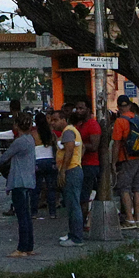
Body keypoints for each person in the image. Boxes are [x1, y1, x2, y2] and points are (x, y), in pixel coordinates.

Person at [0, 110, 40, 257]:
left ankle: (21, 248)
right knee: (26, 216)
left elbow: (4, 157)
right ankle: (29, 246)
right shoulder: (30, 140)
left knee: (21, 217)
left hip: (19, 182)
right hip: (29, 181)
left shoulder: (19, 141)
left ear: (16, 125)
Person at [51, 105, 85, 246]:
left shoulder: (69, 132)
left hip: (71, 171)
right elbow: (81, 148)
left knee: (73, 205)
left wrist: (64, 170)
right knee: (70, 204)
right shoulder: (67, 132)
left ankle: (77, 238)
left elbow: (70, 150)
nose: (52, 123)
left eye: (55, 120)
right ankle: (72, 233)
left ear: (63, 120)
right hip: (73, 168)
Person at [108, 97, 139, 224]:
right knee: (138, 189)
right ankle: (138, 218)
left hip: (126, 158)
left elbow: (116, 143)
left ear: (118, 107)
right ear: (130, 105)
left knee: (124, 188)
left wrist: (113, 162)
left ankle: (129, 218)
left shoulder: (120, 121)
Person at [76, 103, 102, 210]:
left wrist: (79, 145)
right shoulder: (81, 124)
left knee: (85, 196)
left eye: (81, 108)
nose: (78, 111)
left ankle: (85, 222)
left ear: (88, 109)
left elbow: (94, 146)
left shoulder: (92, 125)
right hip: (81, 163)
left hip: (90, 164)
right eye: (77, 108)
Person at [32, 110, 58, 218]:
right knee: (51, 188)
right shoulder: (51, 133)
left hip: (38, 162)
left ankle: (33, 212)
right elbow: (55, 148)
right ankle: (52, 212)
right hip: (50, 161)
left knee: (36, 189)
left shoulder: (33, 134)